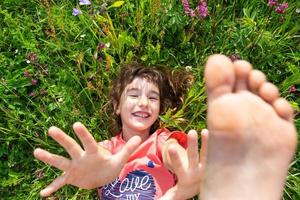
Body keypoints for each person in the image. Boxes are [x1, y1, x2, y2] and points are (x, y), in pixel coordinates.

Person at [34, 54, 297, 200]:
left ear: (159, 109)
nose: (143, 103)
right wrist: (88, 176)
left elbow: (176, 155)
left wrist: (189, 173)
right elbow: (96, 160)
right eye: (134, 94)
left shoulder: (162, 141)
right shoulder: (104, 150)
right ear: (117, 105)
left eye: (153, 97)